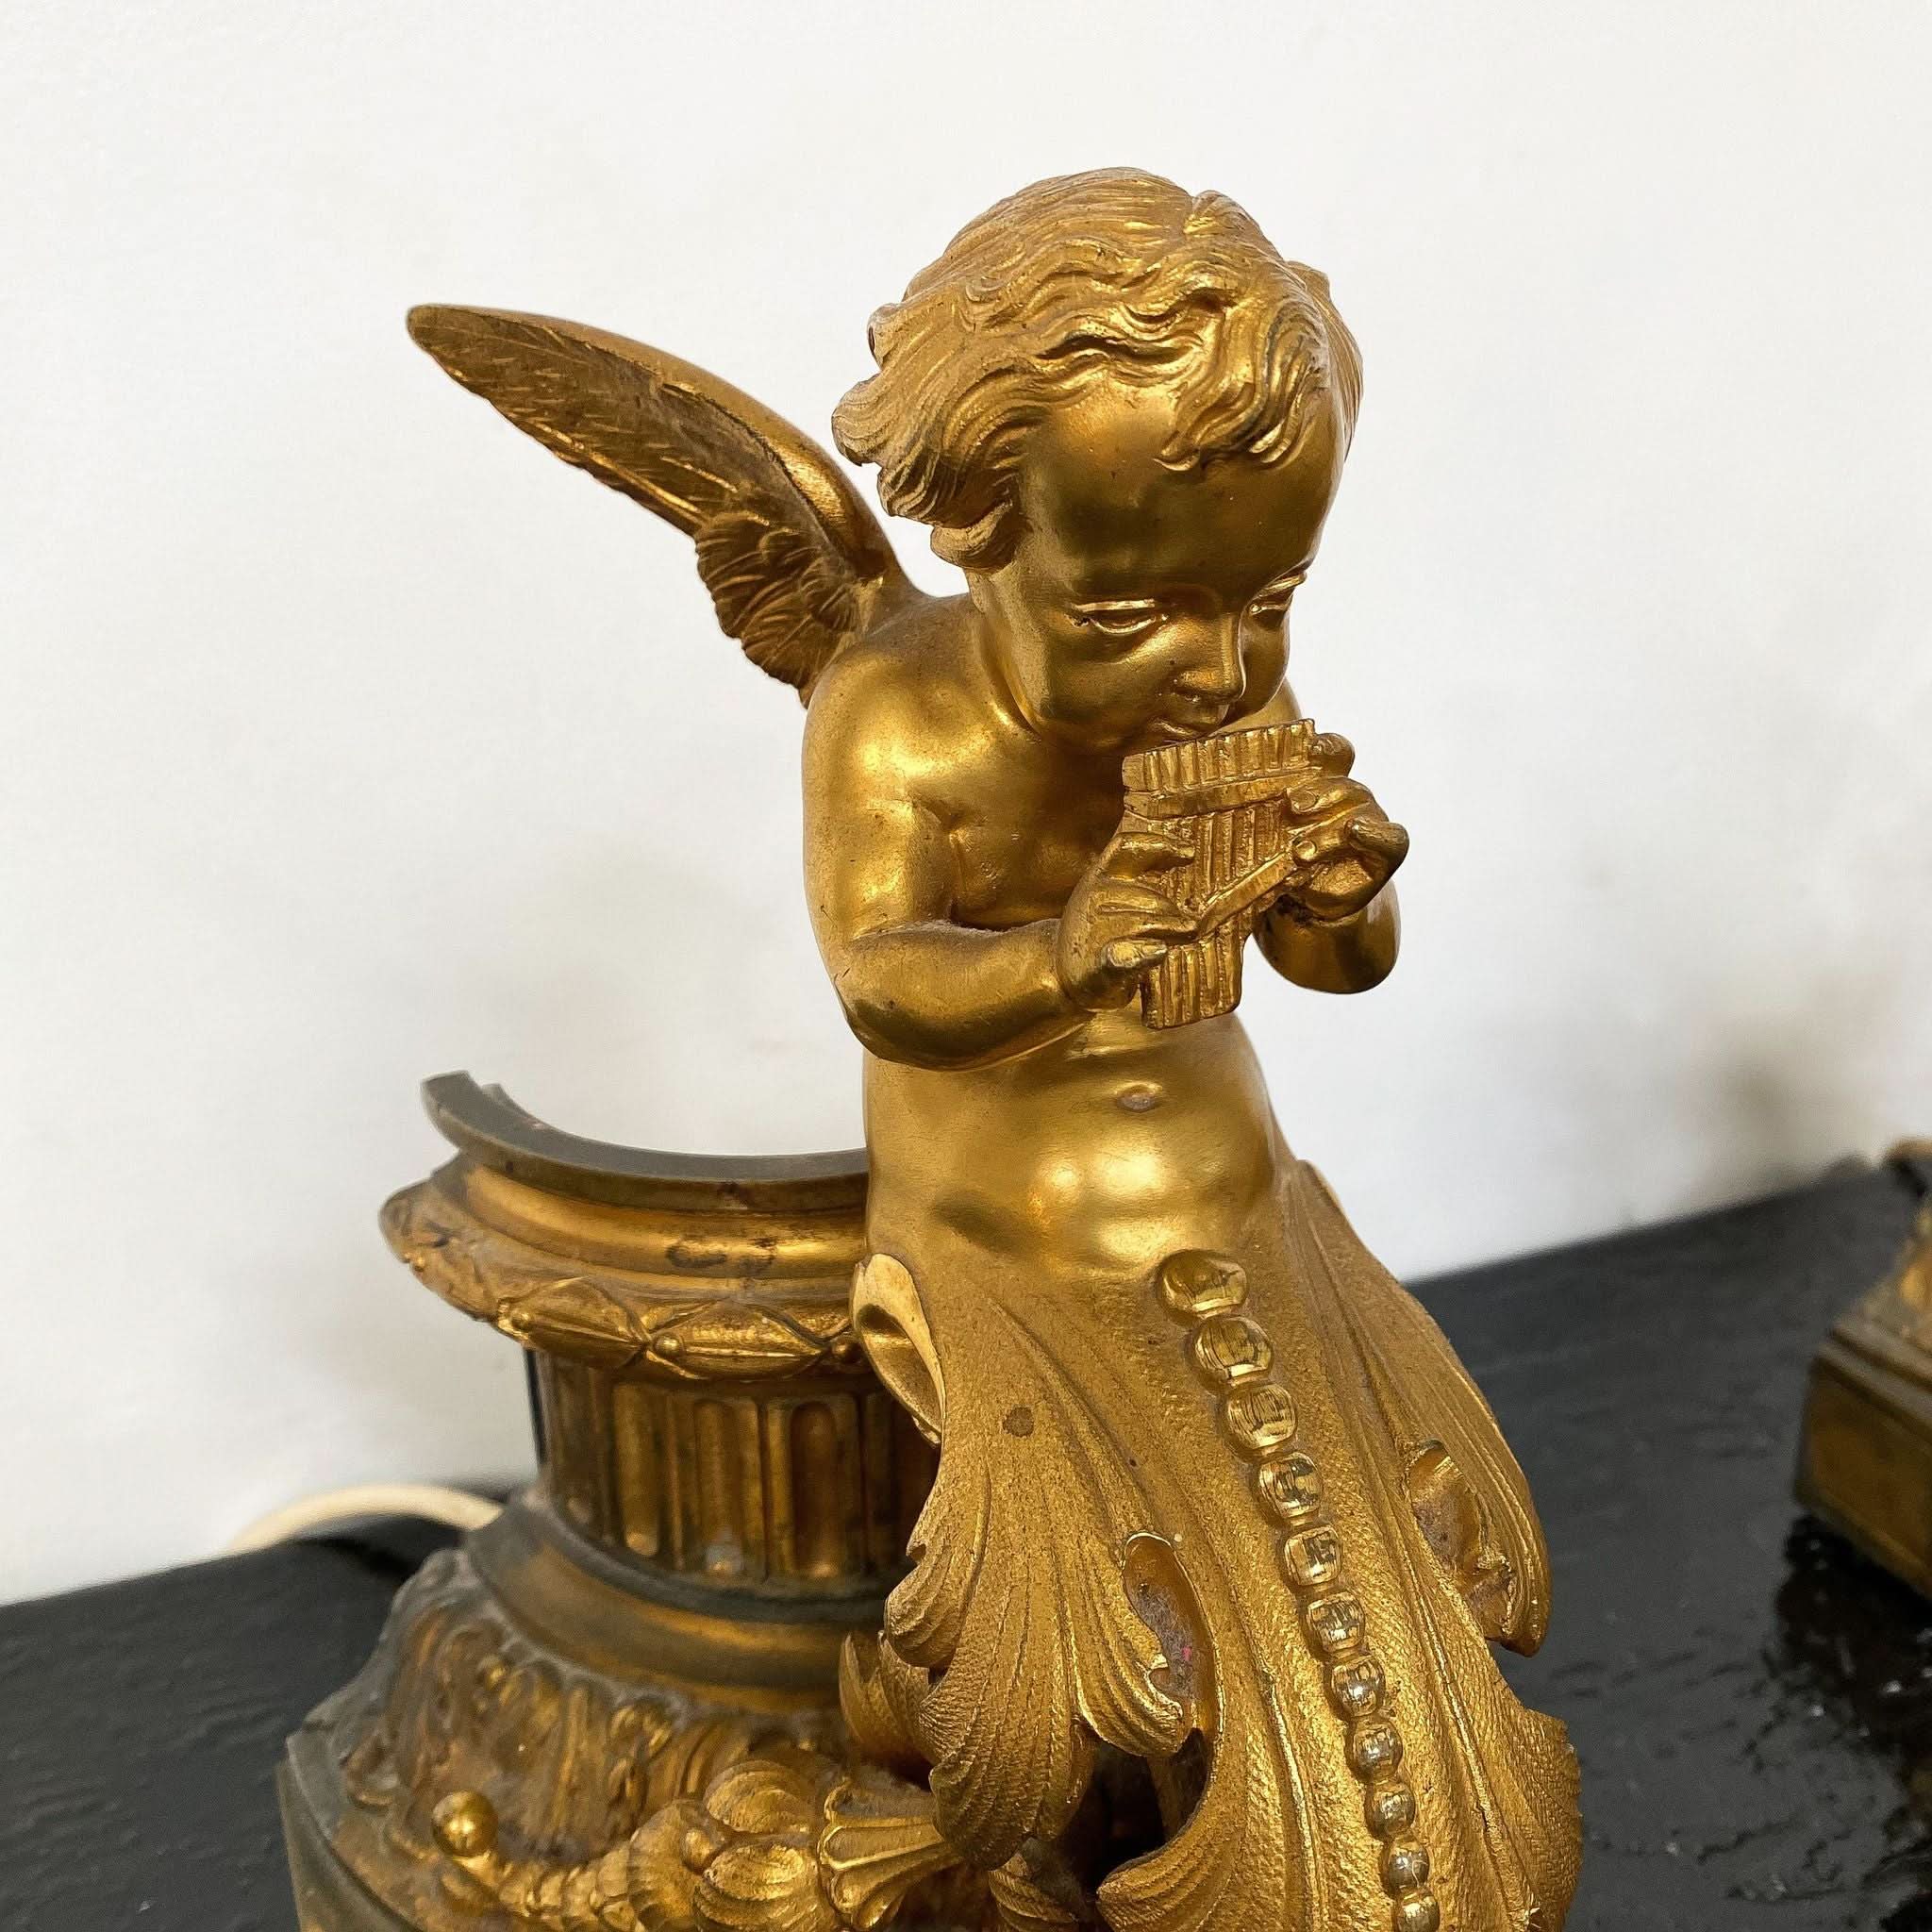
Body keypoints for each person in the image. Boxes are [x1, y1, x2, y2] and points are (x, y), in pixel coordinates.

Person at [801, 169, 1582, 1932]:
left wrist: (1345, 892)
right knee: (1132, 1600)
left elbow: (1337, 966)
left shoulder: (1224, 682)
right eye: (1126, 617)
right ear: (983, 534)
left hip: (1239, 1193)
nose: (1219, 671)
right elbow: (881, 979)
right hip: (1006, 1234)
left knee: (1386, 1541)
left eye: (1268, 600)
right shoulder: (896, 712)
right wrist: (1070, 954)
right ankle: (1098, 1820)